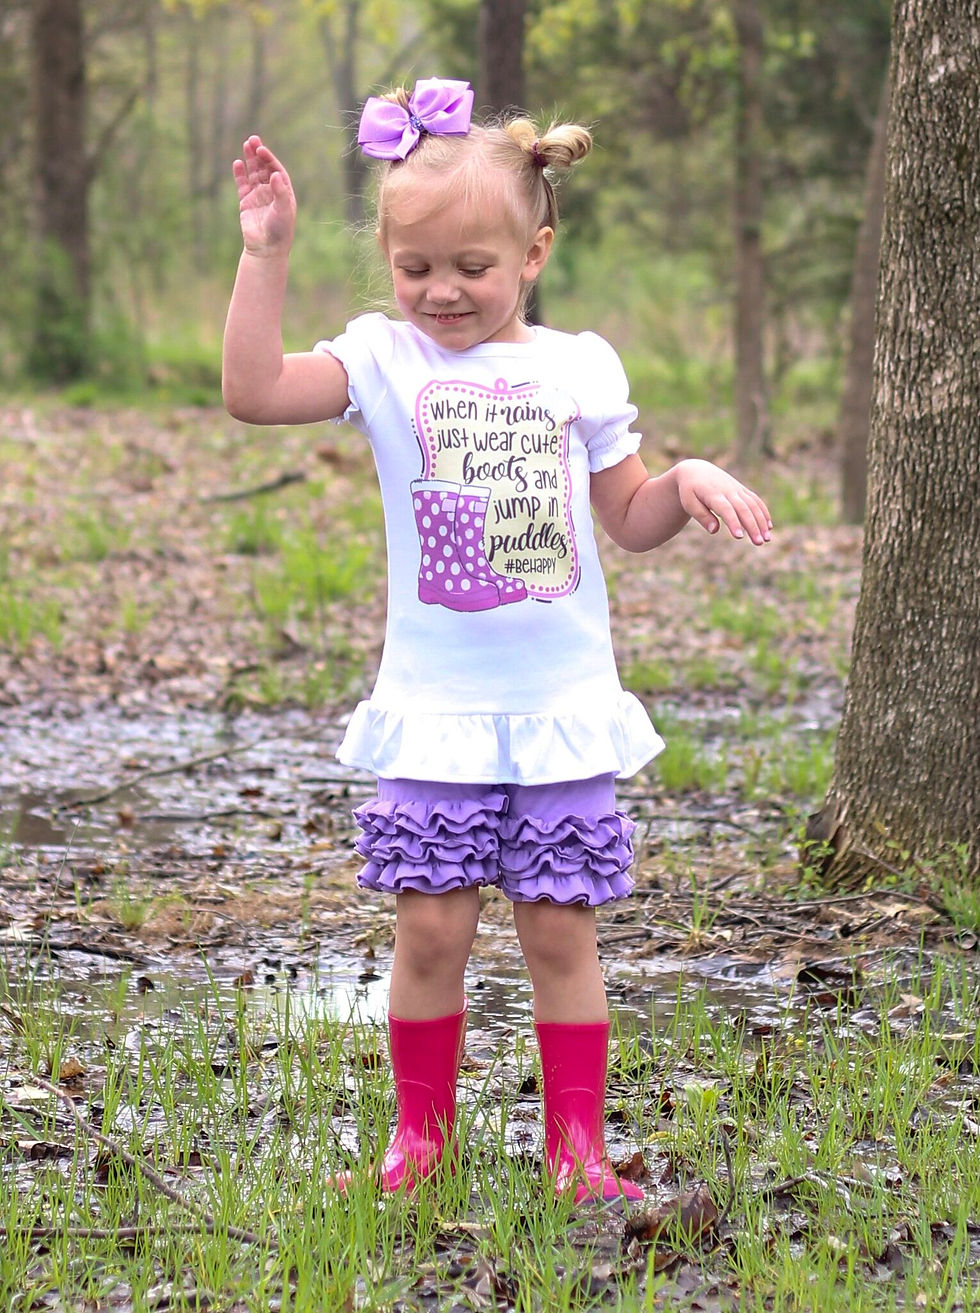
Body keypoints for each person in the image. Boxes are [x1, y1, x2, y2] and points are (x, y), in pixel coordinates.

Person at [223, 77, 772, 1206]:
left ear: (533, 254)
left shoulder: (577, 367)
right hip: (437, 708)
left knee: (560, 934)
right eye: (414, 267)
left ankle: (578, 1153)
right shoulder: (385, 359)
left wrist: (683, 480)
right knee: (429, 929)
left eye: (472, 266)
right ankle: (419, 1142)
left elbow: (628, 518)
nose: (441, 290)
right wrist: (264, 254)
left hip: (561, 705)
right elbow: (255, 391)